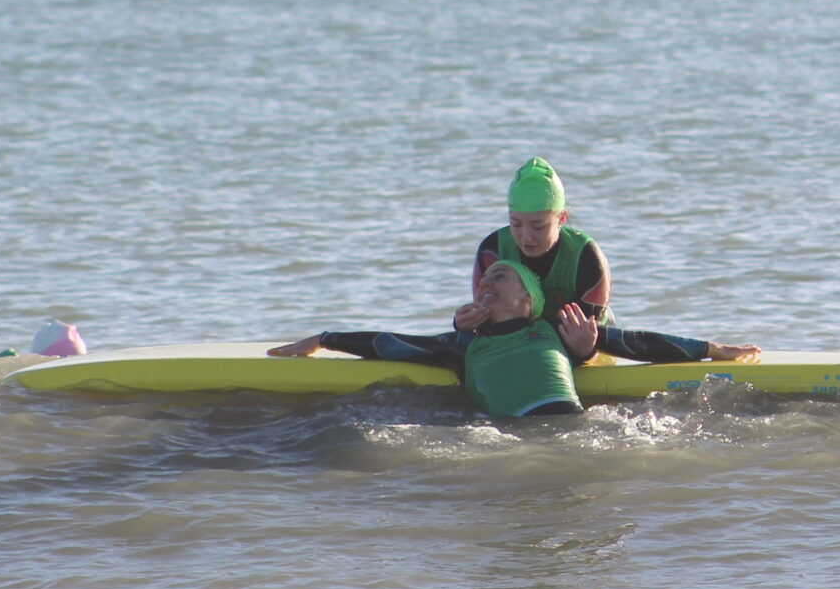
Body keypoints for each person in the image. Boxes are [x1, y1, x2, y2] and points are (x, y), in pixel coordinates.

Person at [269, 258, 758, 419]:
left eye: (502, 278)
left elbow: (638, 343)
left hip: (570, 421)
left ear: (528, 302)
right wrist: (323, 338)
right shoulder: (464, 344)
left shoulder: (555, 329)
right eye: (486, 278)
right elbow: (389, 342)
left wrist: (715, 350)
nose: (488, 282)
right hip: (505, 433)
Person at [460, 156, 619, 362]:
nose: (527, 237)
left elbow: (589, 329)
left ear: (561, 218)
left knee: (584, 341)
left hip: (583, 337)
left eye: (538, 226)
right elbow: (488, 321)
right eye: (516, 224)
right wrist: (466, 325)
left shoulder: (587, 257)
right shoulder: (492, 250)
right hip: (515, 337)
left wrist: (585, 351)